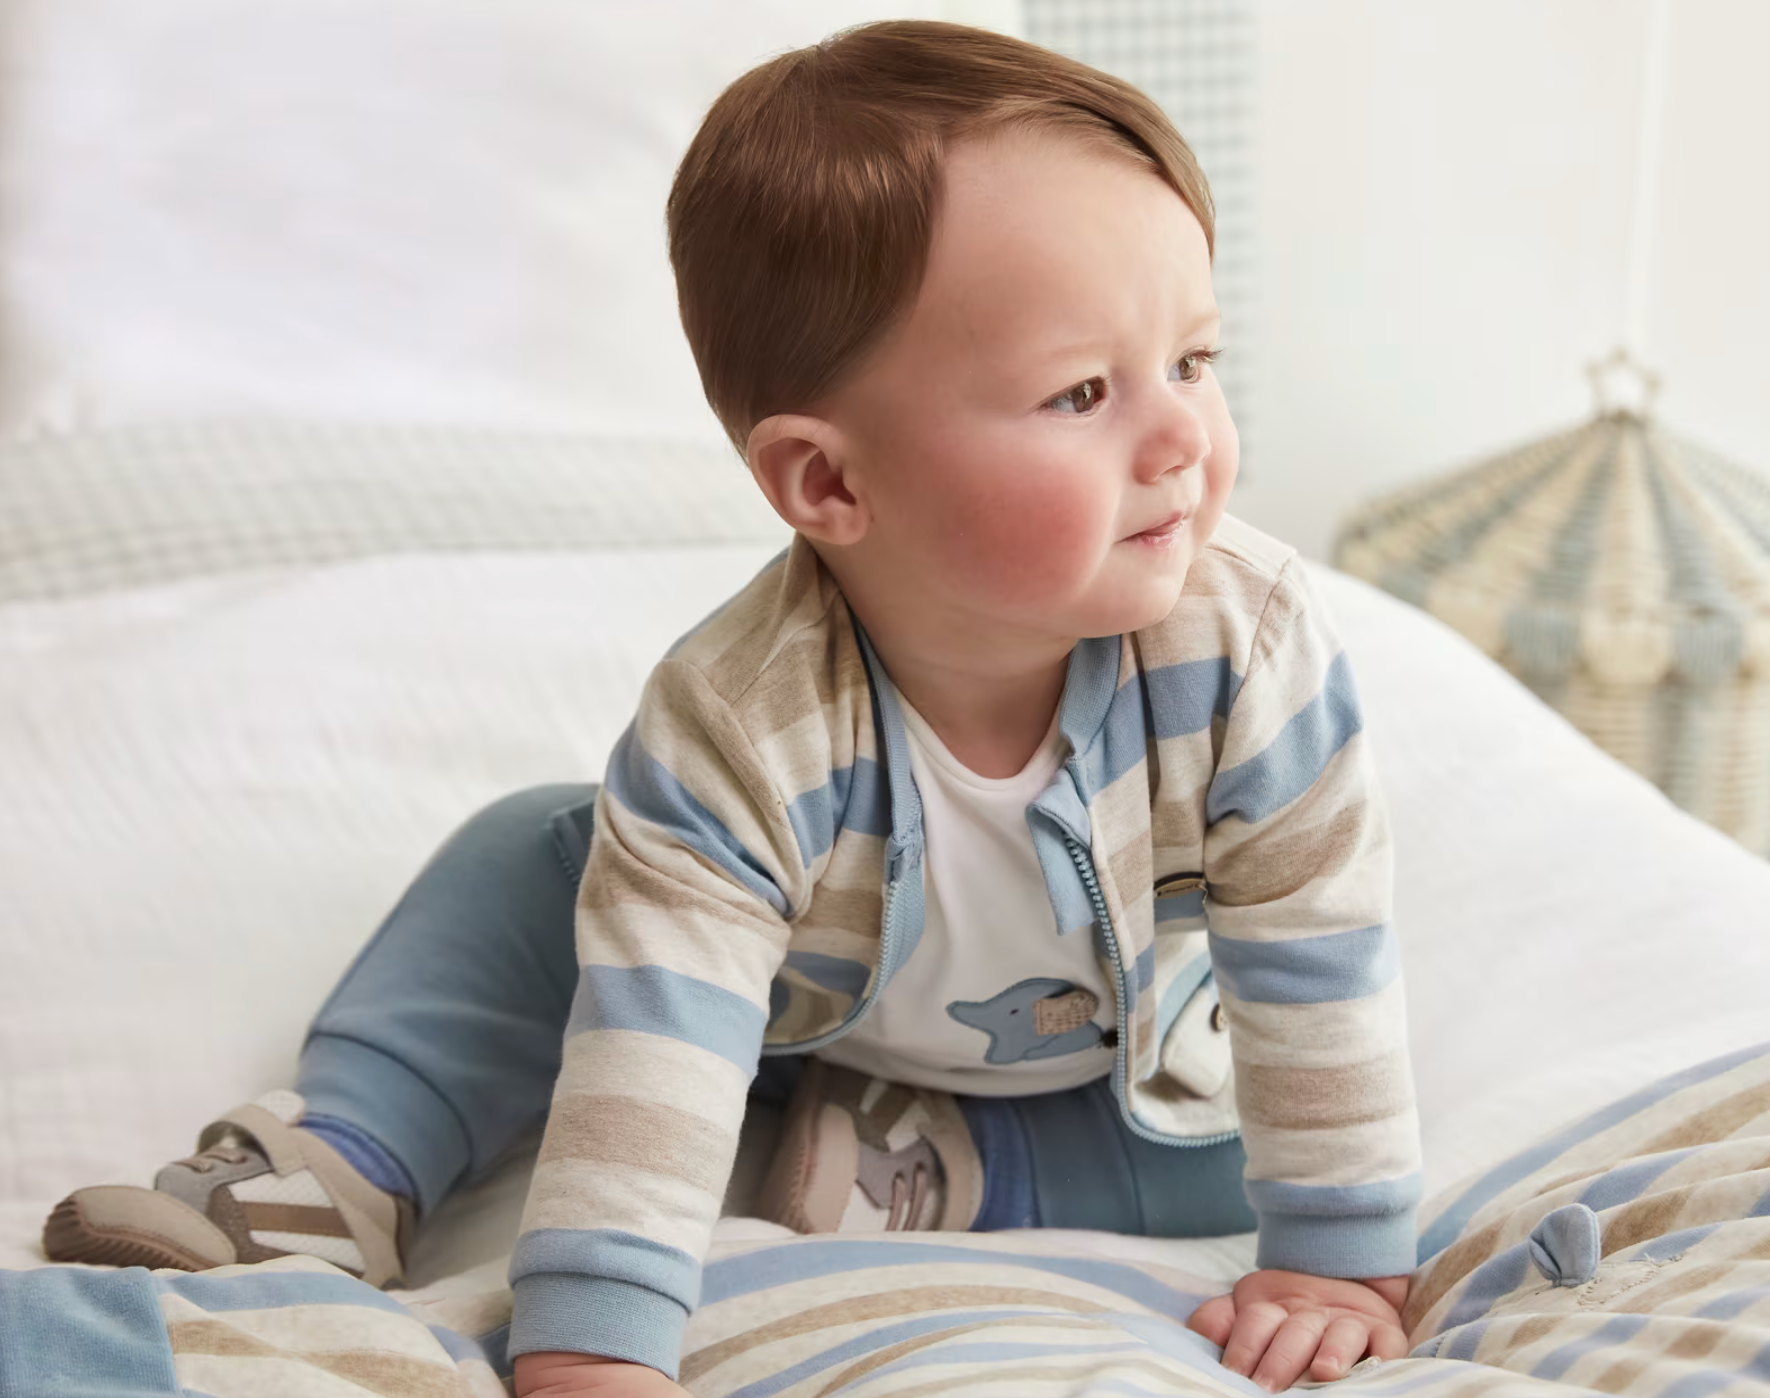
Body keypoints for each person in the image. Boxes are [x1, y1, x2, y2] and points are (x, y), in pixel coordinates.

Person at [43, 20, 1422, 1396]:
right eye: (1082, 391)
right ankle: (346, 1159)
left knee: (1208, 1147)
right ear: (828, 486)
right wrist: (596, 1349)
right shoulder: (736, 726)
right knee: (541, 856)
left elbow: (1312, 967)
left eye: (1192, 360)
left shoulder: (1248, 658)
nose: (1182, 435)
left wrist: (1338, 1258)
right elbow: (651, 1043)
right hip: (798, 1005)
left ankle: (930, 1167)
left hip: (1113, 1067)